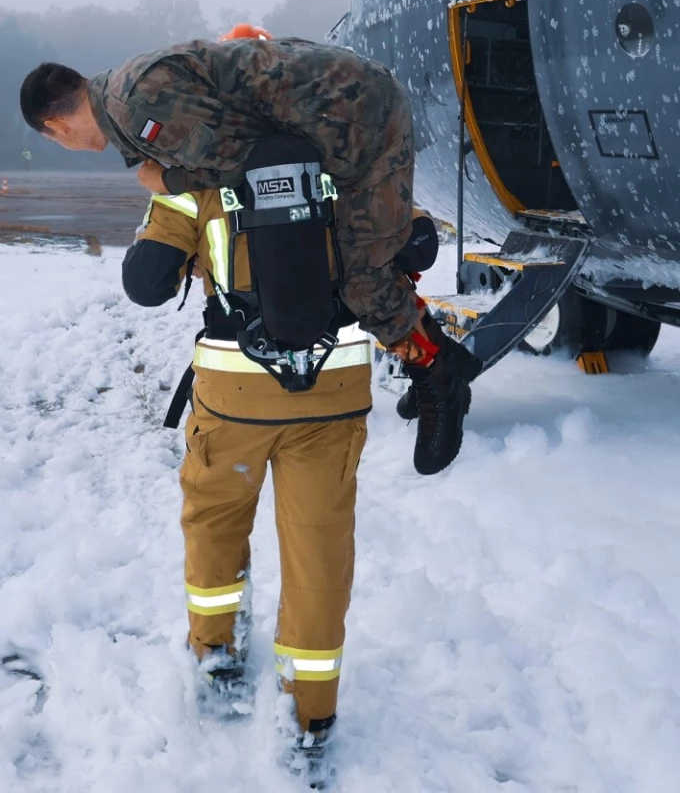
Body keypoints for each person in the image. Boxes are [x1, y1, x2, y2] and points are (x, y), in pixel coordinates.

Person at [20, 39, 482, 474]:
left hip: (358, 118)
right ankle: (437, 354)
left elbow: (245, 157)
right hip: (338, 111)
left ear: (55, 128)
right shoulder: (128, 94)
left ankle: (439, 375)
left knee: (361, 270)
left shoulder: (136, 104)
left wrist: (167, 181)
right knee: (354, 261)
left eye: (57, 140)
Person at [122, 176, 372, 785]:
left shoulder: (196, 176)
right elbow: (416, 242)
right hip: (331, 394)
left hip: (233, 398)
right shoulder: (347, 160)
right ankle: (310, 720)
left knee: (214, 525)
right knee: (319, 552)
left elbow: (145, 283)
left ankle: (218, 656)